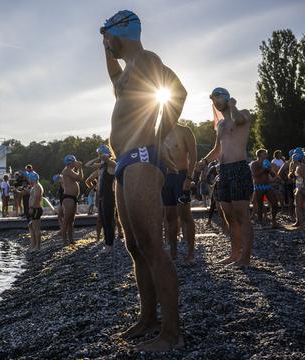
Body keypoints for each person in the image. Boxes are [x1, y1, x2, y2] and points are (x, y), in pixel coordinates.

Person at [101, 10, 185, 350]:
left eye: (109, 37)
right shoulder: (126, 75)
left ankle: (172, 334)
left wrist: (159, 133)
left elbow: (177, 92)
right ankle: (148, 317)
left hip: (141, 158)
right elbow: (113, 77)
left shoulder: (147, 59)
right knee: (134, 247)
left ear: (122, 32)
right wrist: (104, 43)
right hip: (124, 162)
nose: (106, 44)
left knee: (152, 244)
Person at [200, 87, 254, 268]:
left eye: (219, 96)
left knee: (242, 214)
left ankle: (245, 258)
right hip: (223, 171)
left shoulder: (242, 113)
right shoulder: (221, 125)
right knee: (229, 215)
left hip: (239, 168)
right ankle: (234, 254)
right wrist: (205, 161)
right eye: (213, 98)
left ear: (227, 97)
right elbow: (217, 149)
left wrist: (233, 106)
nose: (216, 101)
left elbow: (239, 120)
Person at [162, 122, 197, 262]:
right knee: (169, 216)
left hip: (181, 175)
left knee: (185, 215)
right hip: (166, 178)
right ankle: (173, 251)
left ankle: (190, 252)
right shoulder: (158, 134)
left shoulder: (184, 130)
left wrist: (189, 178)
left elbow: (194, 155)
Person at [88, 145, 117, 252]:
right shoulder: (102, 166)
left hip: (109, 196)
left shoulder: (111, 164)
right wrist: (98, 157)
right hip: (101, 196)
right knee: (103, 221)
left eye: (100, 154)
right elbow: (88, 165)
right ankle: (107, 244)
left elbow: (114, 163)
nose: (99, 156)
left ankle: (110, 245)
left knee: (109, 221)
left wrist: (106, 156)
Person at [250, 149, 279, 228]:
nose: (266, 155)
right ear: (260, 155)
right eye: (264, 153)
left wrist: (270, 170)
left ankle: (274, 221)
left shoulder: (267, 162)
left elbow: (273, 175)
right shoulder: (254, 163)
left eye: (266, 153)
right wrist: (263, 169)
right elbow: (254, 174)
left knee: (275, 203)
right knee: (260, 205)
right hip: (258, 186)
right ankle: (261, 223)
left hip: (267, 185)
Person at [61, 155, 83, 245]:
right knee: (66, 220)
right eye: (75, 162)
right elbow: (80, 178)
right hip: (68, 197)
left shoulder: (70, 171)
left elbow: (77, 178)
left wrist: (77, 169)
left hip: (72, 197)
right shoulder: (67, 171)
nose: (76, 163)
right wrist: (80, 168)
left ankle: (71, 239)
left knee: (71, 220)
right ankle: (65, 240)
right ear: (71, 162)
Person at [27, 171, 44, 250]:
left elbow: (37, 197)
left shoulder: (37, 186)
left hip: (36, 209)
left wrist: (32, 207)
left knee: (36, 227)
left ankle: (37, 246)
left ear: (32, 178)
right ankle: (33, 244)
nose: (28, 180)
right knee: (31, 226)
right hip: (34, 209)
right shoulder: (35, 186)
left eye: (29, 178)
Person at [288, 150, 305, 228]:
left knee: (299, 206)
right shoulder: (297, 167)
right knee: (297, 206)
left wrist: (300, 188)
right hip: (298, 187)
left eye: (292, 159)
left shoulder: (300, 167)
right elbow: (297, 179)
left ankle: (301, 223)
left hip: (301, 188)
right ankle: (298, 221)